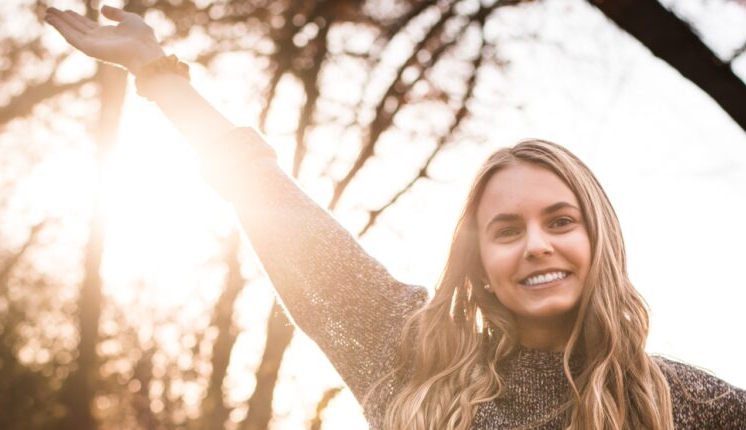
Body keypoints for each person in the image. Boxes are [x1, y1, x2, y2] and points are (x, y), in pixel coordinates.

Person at [45, 5, 746, 429]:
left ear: (602, 241)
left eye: (561, 221)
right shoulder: (407, 358)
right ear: (478, 261)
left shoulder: (687, 402)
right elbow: (274, 205)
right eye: (507, 229)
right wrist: (160, 75)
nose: (536, 245)